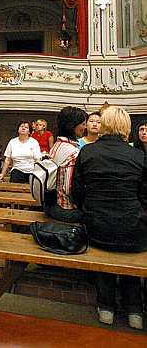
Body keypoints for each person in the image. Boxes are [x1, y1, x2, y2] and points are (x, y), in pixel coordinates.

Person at [72, 106, 147, 330]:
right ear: (126, 127)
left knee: (105, 251)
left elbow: (76, 190)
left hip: (97, 224)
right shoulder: (138, 155)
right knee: (128, 253)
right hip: (132, 226)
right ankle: (134, 310)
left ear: (104, 125)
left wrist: (90, 208)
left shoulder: (88, 152)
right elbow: (144, 195)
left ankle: (106, 307)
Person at [44, 106, 86, 223]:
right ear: (73, 125)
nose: (85, 127)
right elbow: (69, 189)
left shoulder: (57, 145)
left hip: (50, 204)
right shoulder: (72, 152)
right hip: (65, 209)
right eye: (83, 124)